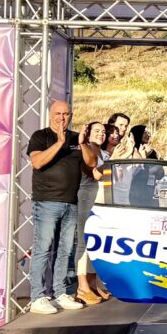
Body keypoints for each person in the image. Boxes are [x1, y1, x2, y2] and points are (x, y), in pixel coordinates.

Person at [27, 101, 97, 314]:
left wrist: (83, 144)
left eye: (66, 114)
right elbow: (37, 162)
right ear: (51, 115)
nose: (62, 118)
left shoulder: (77, 139)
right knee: (43, 249)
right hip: (47, 202)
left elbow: (91, 164)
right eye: (58, 113)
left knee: (65, 251)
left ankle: (59, 293)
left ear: (71, 116)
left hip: (71, 203)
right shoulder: (41, 136)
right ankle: (37, 297)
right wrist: (59, 142)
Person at [74, 122, 111, 305]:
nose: (101, 134)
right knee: (83, 242)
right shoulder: (84, 149)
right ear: (88, 134)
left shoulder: (105, 153)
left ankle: (92, 283)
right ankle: (82, 287)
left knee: (95, 243)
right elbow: (95, 173)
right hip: (86, 197)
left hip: (101, 200)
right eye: (97, 131)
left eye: (103, 131)